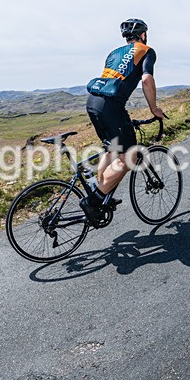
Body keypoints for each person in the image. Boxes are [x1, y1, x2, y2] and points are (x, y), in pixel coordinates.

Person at [82, 18, 165, 225]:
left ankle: (103, 191)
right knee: (130, 157)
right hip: (111, 106)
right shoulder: (146, 50)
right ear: (143, 35)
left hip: (93, 102)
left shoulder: (113, 53)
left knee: (113, 149)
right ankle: (95, 200)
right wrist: (154, 109)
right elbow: (146, 79)